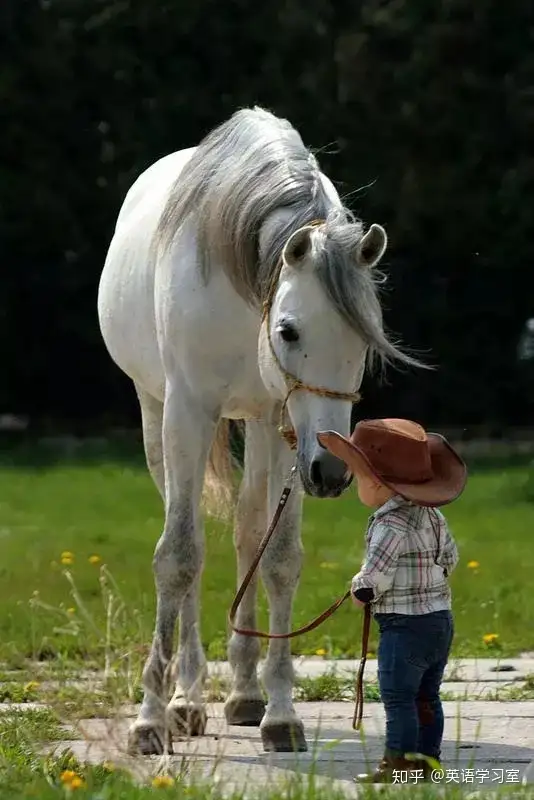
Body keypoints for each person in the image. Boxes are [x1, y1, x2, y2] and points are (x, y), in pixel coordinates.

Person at [317, 419, 467, 783]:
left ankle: (398, 766)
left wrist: (359, 590)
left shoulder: (389, 524)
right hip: (439, 621)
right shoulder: (433, 516)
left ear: (377, 482)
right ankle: (428, 764)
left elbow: (375, 577)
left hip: (403, 627)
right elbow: (451, 558)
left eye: (356, 474)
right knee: (427, 696)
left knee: (399, 698)